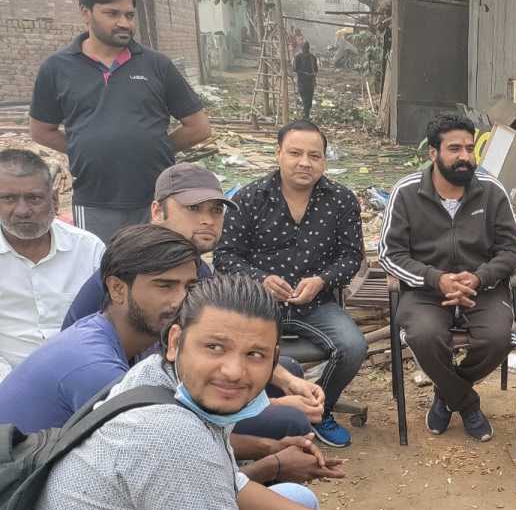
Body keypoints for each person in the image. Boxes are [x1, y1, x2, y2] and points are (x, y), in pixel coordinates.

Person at [19, 275, 394, 510]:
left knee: (298, 502)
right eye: (215, 347)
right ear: (176, 340)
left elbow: (230, 484)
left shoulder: (162, 380)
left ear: (273, 359)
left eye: (255, 354)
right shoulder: (169, 435)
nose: (233, 371)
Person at [60, 162, 325, 441]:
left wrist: (288, 381)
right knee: (289, 418)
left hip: (170, 372)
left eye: (216, 210)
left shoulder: (199, 270)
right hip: (120, 392)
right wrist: (273, 408)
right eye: (193, 208)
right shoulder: (131, 263)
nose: (208, 220)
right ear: (156, 212)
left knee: (288, 371)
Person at [215, 120, 368, 448]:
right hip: (259, 306)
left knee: (353, 346)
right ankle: (253, 416)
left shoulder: (340, 200)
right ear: (278, 154)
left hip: (316, 304)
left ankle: (320, 410)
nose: (305, 162)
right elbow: (226, 256)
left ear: (324, 160)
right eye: (295, 153)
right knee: (237, 352)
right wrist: (261, 280)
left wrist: (322, 279)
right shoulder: (250, 197)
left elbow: (351, 257)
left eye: (314, 155)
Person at [28, 0, 211, 243]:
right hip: (94, 198)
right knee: (101, 268)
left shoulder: (156, 65)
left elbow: (199, 127)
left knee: (158, 269)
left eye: (129, 15)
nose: (124, 23)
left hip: (154, 196)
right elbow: (42, 131)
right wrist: (85, 147)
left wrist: (154, 146)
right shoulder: (56, 69)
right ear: (85, 12)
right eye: (112, 13)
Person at [380, 113, 516, 442]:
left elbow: (511, 250)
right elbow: (390, 253)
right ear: (433, 153)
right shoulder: (406, 192)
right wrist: (436, 279)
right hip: (426, 290)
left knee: (499, 339)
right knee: (424, 336)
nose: (465, 157)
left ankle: (446, 395)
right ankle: (467, 403)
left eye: (470, 149)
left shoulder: (491, 191)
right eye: (454, 149)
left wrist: (478, 277)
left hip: (481, 288)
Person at [0, 224, 197, 435]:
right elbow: (158, 441)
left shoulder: (126, 339)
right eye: (164, 286)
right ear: (117, 289)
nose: (181, 300)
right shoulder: (94, 365)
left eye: (190, 287)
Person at [0, 149, 104, 380]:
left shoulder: (88, 249)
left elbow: (108, 321)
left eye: (34, 198)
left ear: (55, 199)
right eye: (8, 199)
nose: (23, 211)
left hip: (82, 374)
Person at [294, 42, 319, 119]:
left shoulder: (312, 57)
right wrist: (305, 73)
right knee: (305, 99)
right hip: (302, 81)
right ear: (302, 48)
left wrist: (312, 74)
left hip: (310, 82)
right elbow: (295, 69)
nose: (305, 50)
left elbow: (316, 69)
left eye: (306, 48)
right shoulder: (298, 57)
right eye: (304, 48)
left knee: (309, 100)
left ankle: (306, 114)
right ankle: (306, 115)